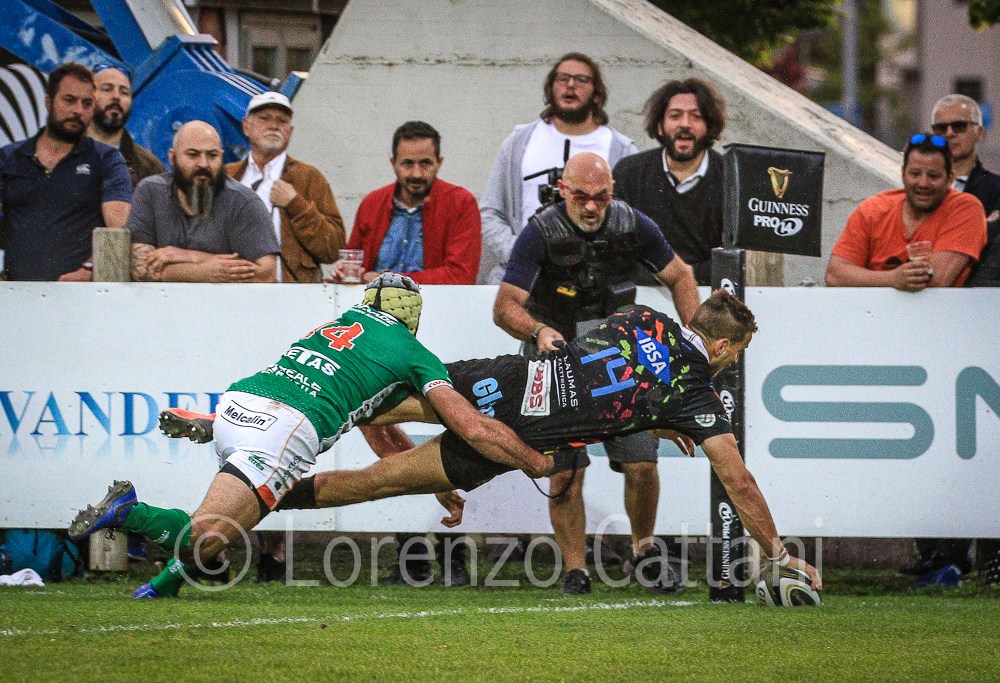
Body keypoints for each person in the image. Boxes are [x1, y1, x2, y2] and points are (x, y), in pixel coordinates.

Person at [159, 291, 823, 595]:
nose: (732, 363)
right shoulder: (695, 392)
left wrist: (658, 417)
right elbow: (738, 481)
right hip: (518, 435)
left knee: (370, 394)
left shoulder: (644, 315)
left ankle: (233, 423)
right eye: (737, 353)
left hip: (506, 379)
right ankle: (265, 487)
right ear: (723, 347)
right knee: (370, 484)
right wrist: (779, 551)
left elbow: (615, 375)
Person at [68, 273, 551, 599]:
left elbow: (377, 429)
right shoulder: (412, 352)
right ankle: (130, 510)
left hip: (241, 403)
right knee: (209, 533)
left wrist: (434, 483)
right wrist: (535, 460)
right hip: (285, 430)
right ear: (412, 316)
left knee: (227, 525)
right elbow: (468, 425)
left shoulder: (337, 325)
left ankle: (164, 584)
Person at [493, 151, 700, 594]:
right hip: (557, 354)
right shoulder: (539, 232)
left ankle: (644, 552)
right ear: (562, 190)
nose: (591, 207)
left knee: (642, 462)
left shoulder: (633, 224)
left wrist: (694, 342)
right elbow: (505, 306)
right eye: (581, 197)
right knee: (565, 473)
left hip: (618, 356)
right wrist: (538, 330)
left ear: (613, 192)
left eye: (601, 197)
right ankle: (576, 570)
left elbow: (681, 277)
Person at [479, 52, 638, 285]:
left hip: (592, 282)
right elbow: (490, 211)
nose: (570, 85)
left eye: (581, 79)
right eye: (562, 78)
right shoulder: (519, 142)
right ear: (551, 88)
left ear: (596, 93)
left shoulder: (621, 149)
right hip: (523, 278)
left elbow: (631, 219)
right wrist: (518, 252)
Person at [0, 62, 131, 281]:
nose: (78, 110)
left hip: (81, 294)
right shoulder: (8, 158)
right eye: (69, 100)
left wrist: (89, 270)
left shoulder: (107, 160)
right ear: (48, 102)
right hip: (16, 294)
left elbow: (120, 231)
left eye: (87, 103)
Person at [825, 132, 986, 290]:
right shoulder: (873, 209)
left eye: (933, 176)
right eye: (915, 174)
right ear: (903, 174)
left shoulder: (966, 208)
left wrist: (886, 279)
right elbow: (834, 275)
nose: (923, 183)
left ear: (950, 178)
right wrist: (892, 278)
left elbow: (935, 280)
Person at [326, 121, 480, 285]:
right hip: (374, 301)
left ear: (439, 163)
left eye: (425, 163)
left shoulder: (461, 204)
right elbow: (353, 263)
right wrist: (347, 274)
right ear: (394, 164)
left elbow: (460, 277)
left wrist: (386, 280)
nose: (417, 173)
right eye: (407, 163)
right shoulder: (372, 203)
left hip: (434, 301)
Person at [127, 120, 279, 282]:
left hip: (227, 299)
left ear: (221, 157)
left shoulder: (244, 202)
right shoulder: (150, 192)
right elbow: (139, 267)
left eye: (212, 155)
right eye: (193, 155)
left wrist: (184, 256)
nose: (203, 164)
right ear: (172, 157)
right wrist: (200, 271)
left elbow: (266, 274)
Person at [613, 78, 727, 285]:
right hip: (642, 292)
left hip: (710, 293)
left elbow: (732, 259)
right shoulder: (629, 172)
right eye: (675, 116)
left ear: (709, 126)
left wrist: (681, 279)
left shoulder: (730, 178)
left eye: (696, 116)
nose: (685, 124)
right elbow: (615, 249)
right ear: (659, 126)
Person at [226, 92, 346, 283]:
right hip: (232, 290)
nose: (274, 126)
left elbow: (333, 249)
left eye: (282, 121)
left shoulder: (309, 177)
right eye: (265, 118)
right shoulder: (226, 176)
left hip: (293, 292)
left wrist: (296, 205)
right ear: (246, 126)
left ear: (290, 131)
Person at [929, 94, 1000, 287]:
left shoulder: (996, 188)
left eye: (959, 126)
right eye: (941, 128)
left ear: (979, 132)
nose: (949, 133)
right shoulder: (915, 186)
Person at [87, 65, 165, 188]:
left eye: (124, 92)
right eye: (107, 89)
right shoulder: (62, 151)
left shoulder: (150, 167)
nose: (116, 96)